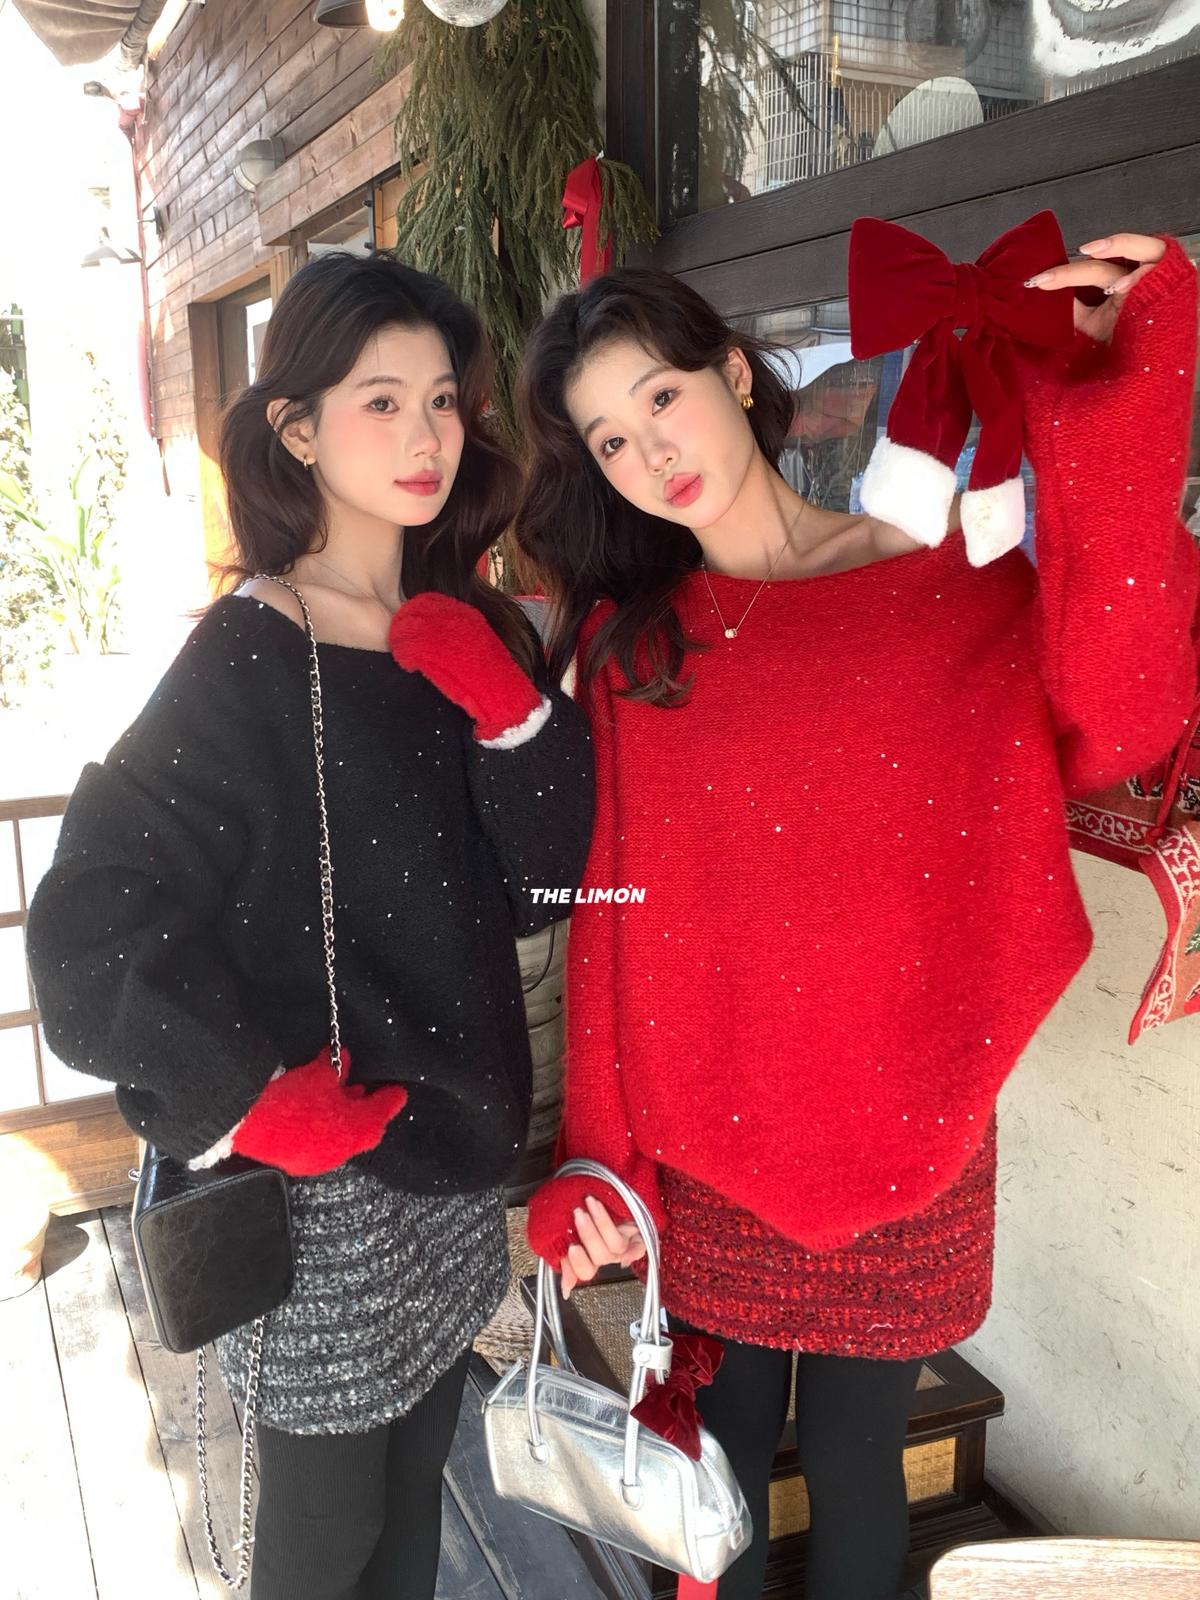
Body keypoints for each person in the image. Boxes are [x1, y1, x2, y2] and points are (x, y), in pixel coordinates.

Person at [516, 229, 1198, 1600]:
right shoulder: (633, 650)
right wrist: (601, 1159)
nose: (651, 453)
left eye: (662, 398)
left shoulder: (946, 583)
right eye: (609, 441)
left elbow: (1125, 713)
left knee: (859, 1466)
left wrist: (1130, 380)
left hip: (915, 1128)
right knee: (713, 1474)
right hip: (715, 1142)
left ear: (734, 373)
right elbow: (611, 919)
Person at [25, 250, 595, 1600]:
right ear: (297, 430)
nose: (424, 436)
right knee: (320, 1546)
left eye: (442, 400)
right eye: (379, 402)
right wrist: (241, 1099)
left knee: (414, 1519)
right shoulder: (254, 647)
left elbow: (550, 886)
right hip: (324, 1189)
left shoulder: (470, 627)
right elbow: (92, 917)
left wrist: (516, 718)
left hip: (455, 1162)